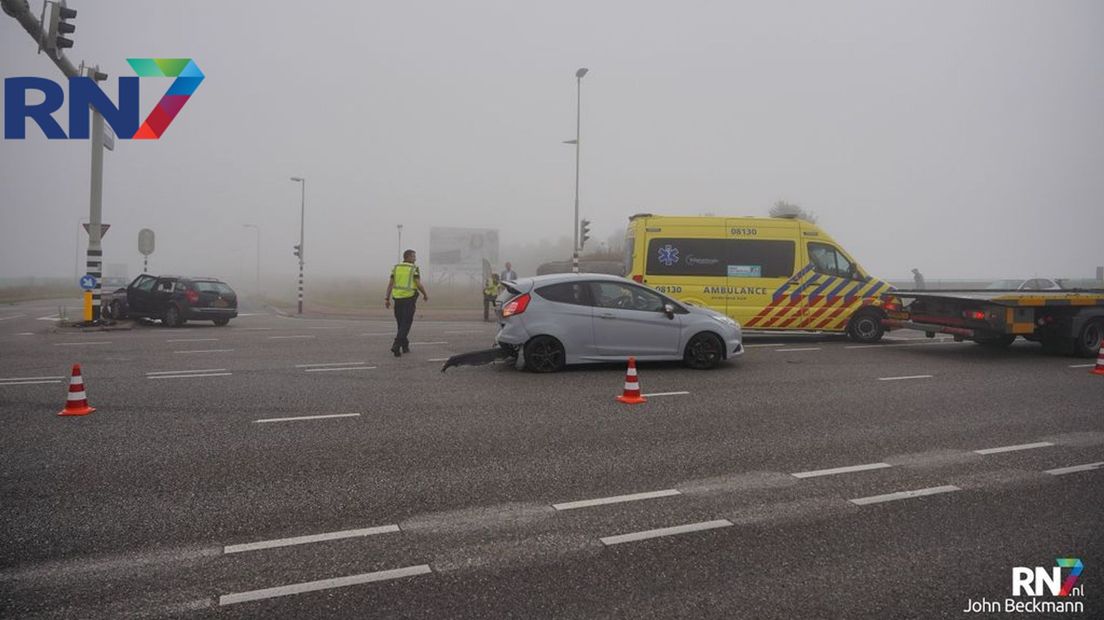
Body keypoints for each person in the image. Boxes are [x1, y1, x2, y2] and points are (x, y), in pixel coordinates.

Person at [384, 249, 428, 357]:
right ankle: (396, 344)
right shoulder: (414, 268)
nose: (415, 259)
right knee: (406, 324)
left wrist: (387, 298)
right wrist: (425, 294)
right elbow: (418, 284)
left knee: (401, 323)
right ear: (407, 257)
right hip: (409, 299)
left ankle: (405, 346)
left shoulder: (396, 267)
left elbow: (390, 284)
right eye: (413, 257)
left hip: (397, 298)